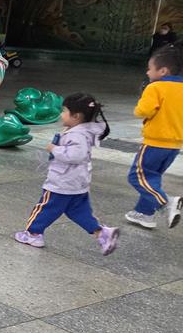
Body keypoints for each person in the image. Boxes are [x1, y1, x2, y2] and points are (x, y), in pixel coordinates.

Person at [14, 93, 119, 255]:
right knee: (78, 211)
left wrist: (54, 149)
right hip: (77, 182)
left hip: (62, 182)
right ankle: (101, 233)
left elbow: (76, 155)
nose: (61, 114)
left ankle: (33, 234)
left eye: (64, 111)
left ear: (76, 116)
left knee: (46, 207)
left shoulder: (77, 135)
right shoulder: (81, 131)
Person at [126, 44, 183, 229]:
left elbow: (143, 111)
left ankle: (166, 203)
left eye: (150, 68)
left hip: (155, 142)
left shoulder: (156, 87)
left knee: (136, 176)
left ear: (163, 71)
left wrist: (139, 106)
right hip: (175, 145)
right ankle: (144, 213)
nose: (147, 72)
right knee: (152, 177)